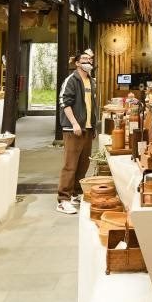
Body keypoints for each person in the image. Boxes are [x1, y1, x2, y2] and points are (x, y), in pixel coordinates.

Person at [56, 51, 98, 215]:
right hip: (73, 129)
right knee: (70, 165)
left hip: (87, 128)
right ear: (78, 63)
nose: (89, 61)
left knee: (83, 164)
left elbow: (91, 105)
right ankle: (63, 200)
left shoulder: (91, 81)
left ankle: (74, 194)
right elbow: (64, 102)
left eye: (90, 59)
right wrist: (74, 123)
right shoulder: (71, 80)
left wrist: (92, 126)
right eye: (85, 59)